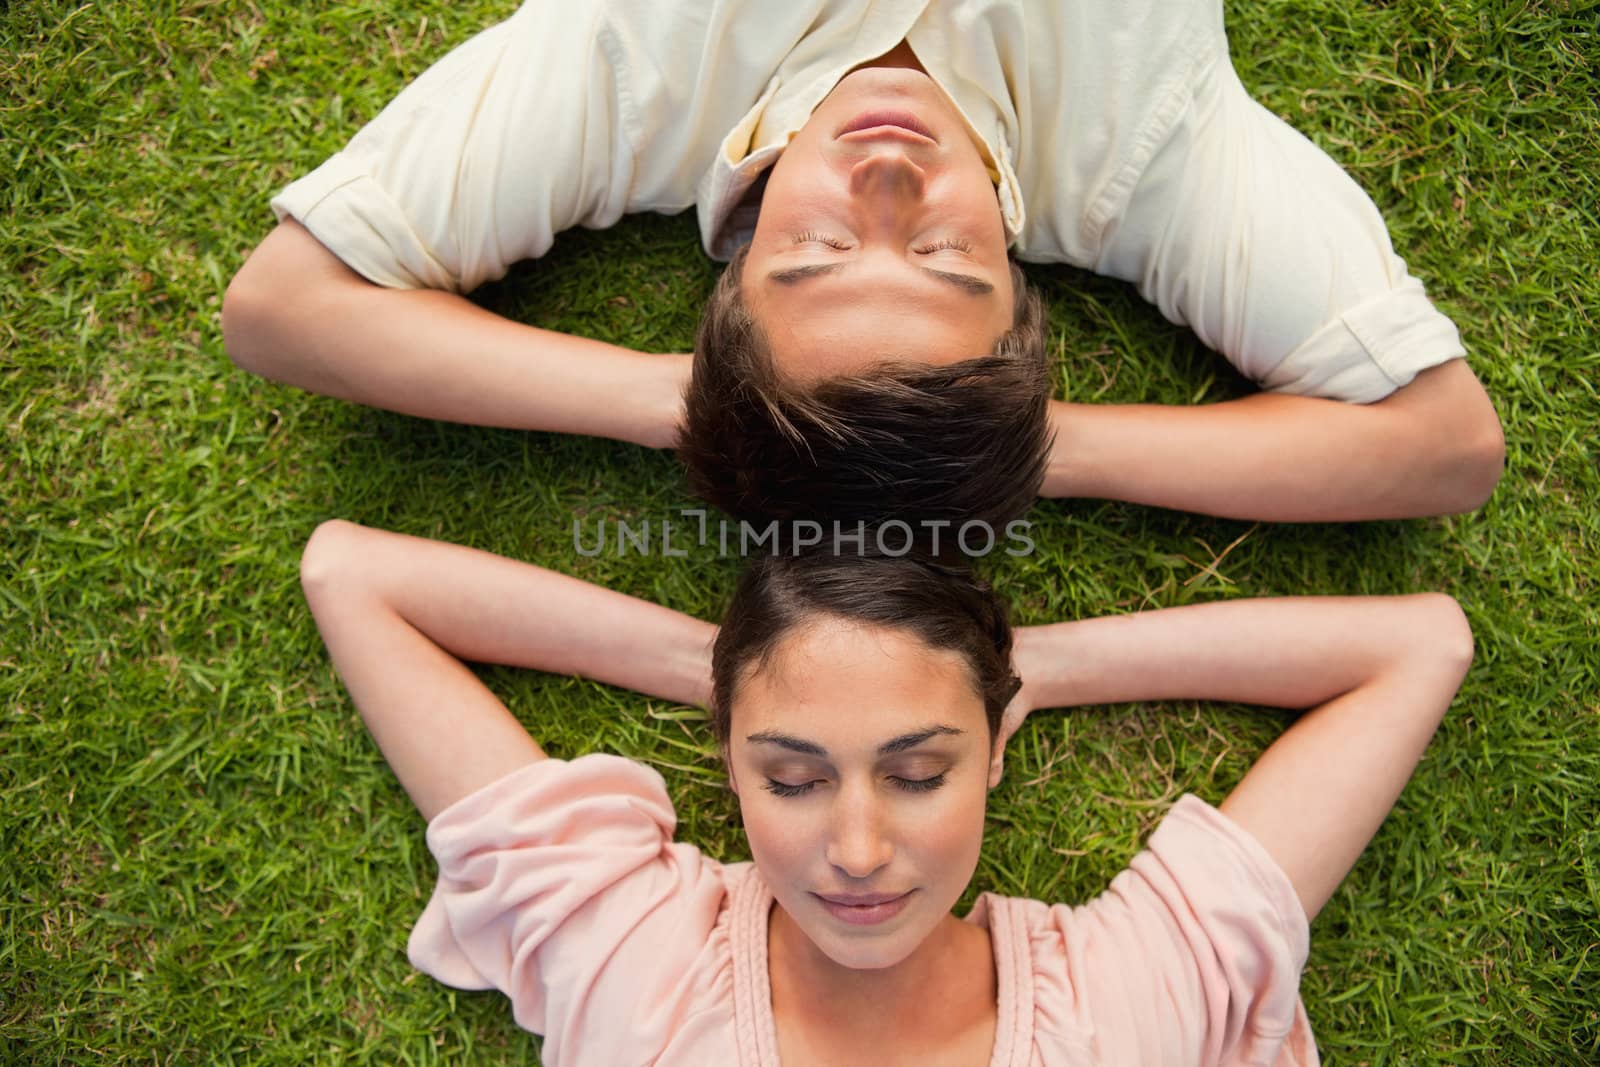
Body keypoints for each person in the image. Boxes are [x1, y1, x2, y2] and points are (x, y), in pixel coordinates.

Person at [223, 0, 1504, 527]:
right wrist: (996, 445)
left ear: (729, 259)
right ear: (1021, 288)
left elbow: (288, 306)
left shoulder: (630, 80)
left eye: (817, 248)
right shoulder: (1144, 161)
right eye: (947, 254)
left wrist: (708, 413)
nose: (886, 180)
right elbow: (1441, 442)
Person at [299, 519, 1475, 1064]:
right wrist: (753, 663)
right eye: (792, 772)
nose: (856, 846)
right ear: (730, 758)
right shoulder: (635, 956)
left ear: (994, 747)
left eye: (918, 768)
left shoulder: (1128, 1001)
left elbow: (1416, 646)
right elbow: (353, 574)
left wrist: (1014, 671)